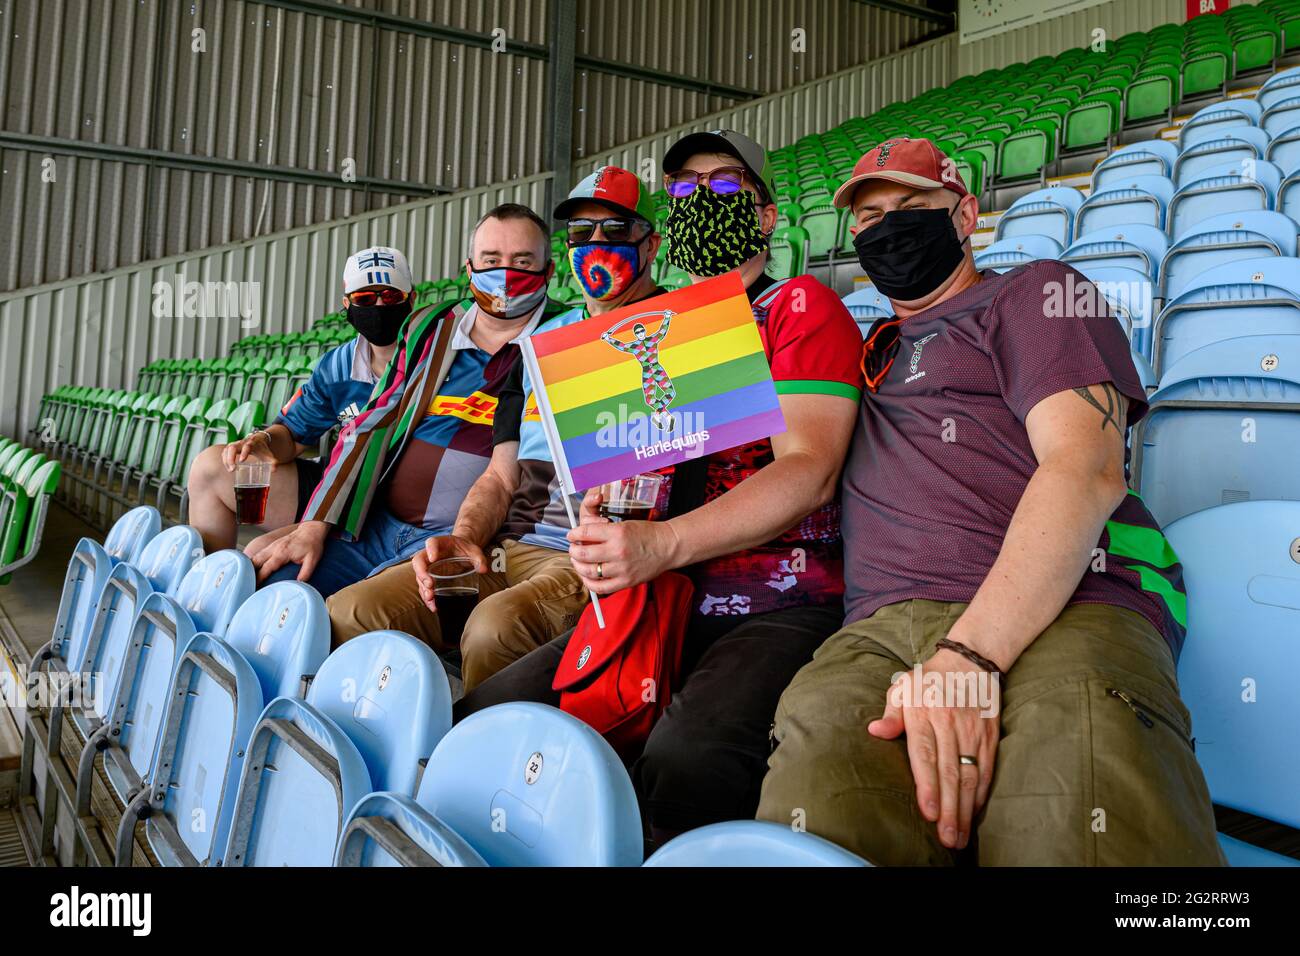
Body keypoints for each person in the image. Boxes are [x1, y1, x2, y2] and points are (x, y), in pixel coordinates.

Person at [756, 137, 1223, 866]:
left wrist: (969, 655)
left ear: (966, 214)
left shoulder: (1035, 292)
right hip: (880, 630)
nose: (886, 229)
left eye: (911, 209)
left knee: (1073, 811)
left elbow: (1086, 468)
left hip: (1072, 598)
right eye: (869, 217)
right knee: (818, 808)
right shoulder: (864, 351)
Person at [456, 131, 865, 849]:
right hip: (652, 600)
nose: (702, 198)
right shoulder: (656, 331)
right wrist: (602, 520)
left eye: (727, 185)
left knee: (688, 761)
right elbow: (629, 479)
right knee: (485, 720)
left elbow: (810, 470)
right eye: (683, 188)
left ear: (767, 216)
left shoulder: (798, 307)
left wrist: (663, 541)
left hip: (776, 601)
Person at [326, 166, 666, 690]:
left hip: (590, 555)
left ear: (651, 245)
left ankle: (492, 763)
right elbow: (502, 477)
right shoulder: (540, 343)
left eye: (616, 230)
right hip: (509, 543)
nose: (596, 245)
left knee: (492, 630)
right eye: (581, 233)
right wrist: (464, 538)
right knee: (352, 610)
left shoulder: (681, 330)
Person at [249, 204, 563, 600]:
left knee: (349, 613)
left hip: (458, 540)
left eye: (522, 261)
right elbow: (371, 422)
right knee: (276, 588)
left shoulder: (563, 342)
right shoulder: (431, 327)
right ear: (469, 269)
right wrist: (314, 524)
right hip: (374, 523)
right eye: (491, 260)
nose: (505, 273)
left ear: (549, 272)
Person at [185, 246, 406, 554]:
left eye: (391, 296)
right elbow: (291, 434)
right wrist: (263, 441)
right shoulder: (336, 366)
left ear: (412, 299)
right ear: (347, 305)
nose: (379, 305)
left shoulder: (437, 358)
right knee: (210, 469)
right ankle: (205, 586)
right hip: (342, 488)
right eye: (365, 299)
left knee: (259, 552)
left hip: (402, 500)